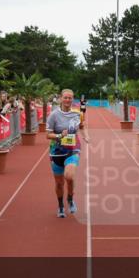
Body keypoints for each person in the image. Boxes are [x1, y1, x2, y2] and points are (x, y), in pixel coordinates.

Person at [46, 89, 89, 218]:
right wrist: (59, 135)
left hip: (73, 148)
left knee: (69, 176)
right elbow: (47, 135)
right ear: (60, 98)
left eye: (70, 98)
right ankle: (60, 206)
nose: (67, 100)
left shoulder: (77, 114)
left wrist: (86, 136)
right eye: (65, 97)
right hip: (56, 151)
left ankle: (70, 199)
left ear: (73, 99)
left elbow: (81, 126)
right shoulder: (53, 115)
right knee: (59, 183)